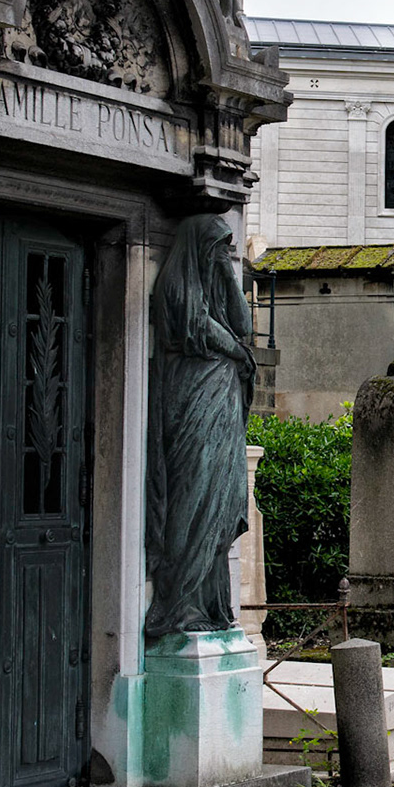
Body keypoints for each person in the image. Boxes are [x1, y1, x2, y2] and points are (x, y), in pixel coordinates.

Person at [146, 214, 256, 637]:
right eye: (215, 250)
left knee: (222, 502)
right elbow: (207, 331)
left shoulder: (212, 281)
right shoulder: (176, 285)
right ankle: (177, 602)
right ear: (196, 249)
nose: (219, 257)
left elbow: (242, 327)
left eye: (224, 250)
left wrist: (229, 272)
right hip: (190, 404)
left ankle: (206, 603)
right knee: (192, 498)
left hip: (220, 406)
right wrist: (235, 351)